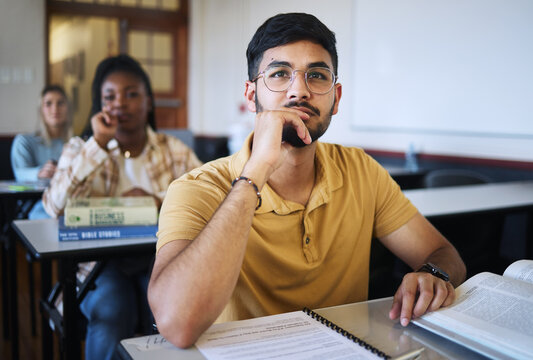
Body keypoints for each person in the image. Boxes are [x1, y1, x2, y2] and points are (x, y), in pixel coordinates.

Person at [148, 13, 466, 348]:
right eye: (279, 74)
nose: (298, 91)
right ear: (250, 93)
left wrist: (433, 276)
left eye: (316, 75)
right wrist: (256, 172)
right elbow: (177, 324)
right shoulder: (196, 188)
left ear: (336, 98)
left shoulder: (361, 171)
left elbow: (443, 253)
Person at [42, 54, 202, 360]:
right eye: (109, 96)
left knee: (171, 312)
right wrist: (98, 145)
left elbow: (207, 199)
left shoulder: (174, 151)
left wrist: (158, 201)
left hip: (160, 259)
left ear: (149, 102)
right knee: (113, 312)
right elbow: (52, 206)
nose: (120, 103)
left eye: (132, 94)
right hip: (99, 264)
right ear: (99, 104)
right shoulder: (81, 147)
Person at [10, 84, 73, 219]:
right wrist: (39, 173)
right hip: (36, 206)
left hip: (71, 203)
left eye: (60, 103)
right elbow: (20, 174)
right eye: (48, 104)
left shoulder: (76, 144)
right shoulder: (24, 141)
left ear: (68, 109)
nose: (55, 109)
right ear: (41, 110)